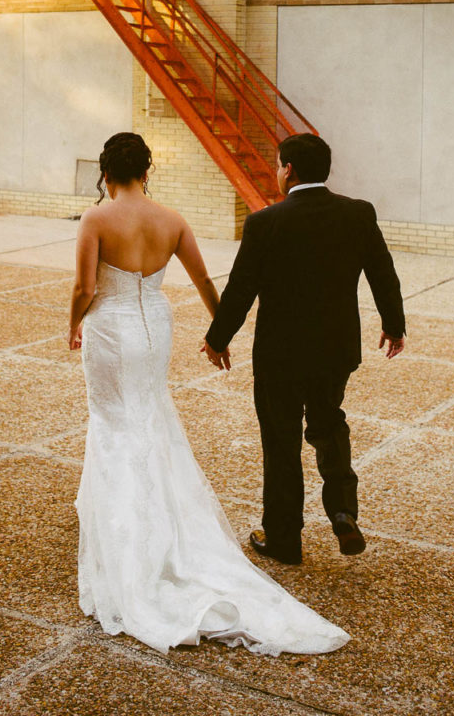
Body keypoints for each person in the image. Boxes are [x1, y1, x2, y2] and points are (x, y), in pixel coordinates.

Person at [69, 131, 349, 656]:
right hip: (155, 324)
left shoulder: (95, 219)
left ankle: (121, 521)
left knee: (112, 420)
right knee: (150, 413)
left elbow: (85, 288)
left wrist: (72, 324)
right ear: (146, 172)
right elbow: (203, 280)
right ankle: (159, 515)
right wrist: (219, 334)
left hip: (110, 329)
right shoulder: (172, 220)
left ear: (105, 173)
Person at [203, 133, 406, 567]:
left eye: (278, 165)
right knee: (329, 424)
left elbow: (241, 290)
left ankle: (283, 539)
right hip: (336, 350)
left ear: (289, 170)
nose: (277, 173)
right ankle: (343, 511)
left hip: (280, 355)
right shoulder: (357, 213)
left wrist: (217, 339)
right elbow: (382, 273)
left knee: (281, 442)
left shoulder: (265, 222)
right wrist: (394, 326)